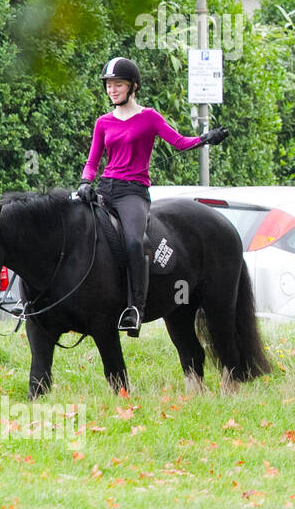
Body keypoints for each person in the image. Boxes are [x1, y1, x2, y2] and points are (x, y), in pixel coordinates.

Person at [78, 57, 230, 336]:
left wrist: (205, 139)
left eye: (118, 85)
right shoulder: (103, 122)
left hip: (132, 193)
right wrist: (85, 182)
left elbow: (179, 142)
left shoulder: (150, 117)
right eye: (109, 85)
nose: (112, 90)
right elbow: (92, 161)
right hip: (106, 189)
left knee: (134, 243)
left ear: (132, 86)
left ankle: (135, 308)